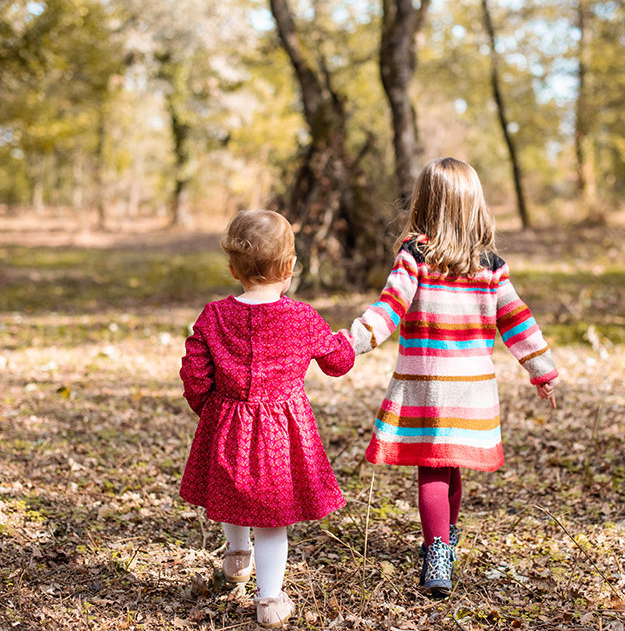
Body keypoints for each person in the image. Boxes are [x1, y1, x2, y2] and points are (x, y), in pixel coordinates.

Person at [346, 157, 558, 596]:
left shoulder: (416, 256)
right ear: (473, 205)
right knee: (450, 466)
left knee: (433, 471)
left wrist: (356, 339)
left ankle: (437, 549)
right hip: (472, 391)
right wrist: (542, 369)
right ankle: (445, 540)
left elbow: (390, 307)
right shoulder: (489, 264)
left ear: (425, 203)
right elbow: (517, 319)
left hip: (429, 388)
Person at [179, 210, 355, 629]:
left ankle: (238, 556)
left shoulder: (214, 315)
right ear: (291, 266)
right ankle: (270, 600)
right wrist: (349, 339)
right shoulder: (302, 317)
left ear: (232, 268)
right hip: (284, 432)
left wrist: (211, 408)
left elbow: (193, 372)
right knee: (272, 519)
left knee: (231, 492)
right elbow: (337, 361)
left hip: (228, 420)